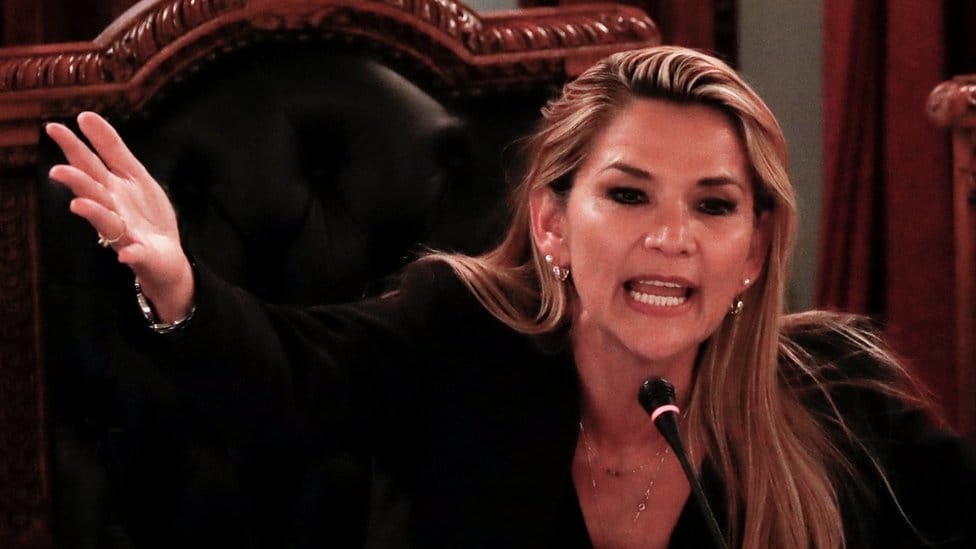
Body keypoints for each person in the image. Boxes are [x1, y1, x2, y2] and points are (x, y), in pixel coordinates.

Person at [46, 45, 975, 548]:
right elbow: (286, 379)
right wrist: (178, 282)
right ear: (551, 225)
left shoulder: (833, 396)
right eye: (629, 194)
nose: (672, 236)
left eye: (714, 204)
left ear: (756, 249)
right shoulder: (459, 334)